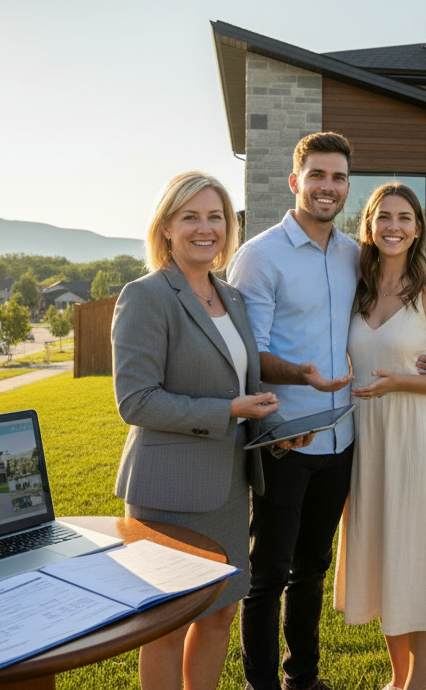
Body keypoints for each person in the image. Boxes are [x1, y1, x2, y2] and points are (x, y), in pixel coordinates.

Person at [228, 132, 426, 690]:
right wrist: (298, 377)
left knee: (312, 569)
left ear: (348, 187)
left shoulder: (355, 256)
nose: (328, 186)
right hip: (284, 438)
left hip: (345, 440)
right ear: (296, 182)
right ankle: (263, 686)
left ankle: (303, 679)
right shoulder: (259, 256)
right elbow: (247, 354)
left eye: (339, 177)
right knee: (269, 572)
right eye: (317, 176)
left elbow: (395, 313)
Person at [111, 171, 311, 690]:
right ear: (167, 228)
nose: (206, 228)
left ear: (229, 226)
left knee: (219, 613)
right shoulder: (146, 296)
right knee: (166, 626)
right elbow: (136, 401)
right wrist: (228, 409)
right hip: (169, 494)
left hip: (228, 491)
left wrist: (278, 429)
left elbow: (244, 386)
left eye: (216, 216)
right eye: (191, 216)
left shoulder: (231, 298)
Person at [335, 182, 426, 690]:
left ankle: (417, 685)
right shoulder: (357, 286)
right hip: (365, 439)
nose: (394, 226)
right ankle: (396, 679)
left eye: (405, 218)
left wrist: (404, 381)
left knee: (419, 553)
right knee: (384, 552)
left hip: (415, 438)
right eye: (384, 216)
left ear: (418, 228)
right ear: (368, 225)